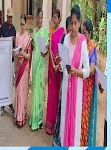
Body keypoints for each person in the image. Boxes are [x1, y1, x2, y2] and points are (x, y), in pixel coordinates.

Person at [59, 5, 90, 146]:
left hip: (77, 89)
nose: (73, 26)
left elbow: (87, 70)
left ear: (80, 22)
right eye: (71, 22)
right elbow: (63, 64)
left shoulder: (83, 41)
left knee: (75, 121)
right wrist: (63, 65)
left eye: (76, 23)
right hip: (66, 85)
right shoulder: (65, 39)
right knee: (65, 120)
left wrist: (77, 72)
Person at [46, 9, 65, 135]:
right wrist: (52, 62)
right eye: (53, 17)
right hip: (51, 67)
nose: (54, 20)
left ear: (60, 19)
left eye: (56, 17)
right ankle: (49, 124)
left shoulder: (62, 33)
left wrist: (57, 64)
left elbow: (62, 51)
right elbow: (51, 49)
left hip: (58, 68)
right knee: (51, 95)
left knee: (56, 96)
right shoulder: (51, 32)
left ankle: (55, 125)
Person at [29, 8, 49, 130]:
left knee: (40, 90)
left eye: (42, 18)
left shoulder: (44, 32)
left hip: (41, 62)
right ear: (36, 18)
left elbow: (45, 50)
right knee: (35, 89)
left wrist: (45, 51)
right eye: (39, 17)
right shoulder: (34, 31)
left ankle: (39, 120)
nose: (40, 20)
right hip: (35, 62)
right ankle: (33, 119)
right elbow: (33, 47)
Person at [53, 16, 71, 146]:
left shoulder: (77, 39)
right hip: (64, 76)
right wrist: (58, 64)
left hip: (73, 79)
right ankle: (57, 135)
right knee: (61, 105)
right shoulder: (64, 38)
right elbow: (59, 56)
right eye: (70, 25)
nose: (72, 28)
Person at [80, 18, 98, 146]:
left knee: (84, 117)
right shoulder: (81, 45)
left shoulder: (92, 47)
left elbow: (91, 70)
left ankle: (83, 143)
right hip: (79, 84)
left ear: (90, 33)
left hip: (87, 88)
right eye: (82, 32)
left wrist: (81, 71)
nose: (83, 35)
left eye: (85, 32)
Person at [14, 14, 32, 128]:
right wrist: (16, 53)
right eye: (20, 24)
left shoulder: (29, 37)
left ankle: (22, 117)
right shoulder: (17, 35)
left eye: (23, 24)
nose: (22, 26)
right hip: (18, 66)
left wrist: (23, 54)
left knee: (23, 91)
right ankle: (17, 116)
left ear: (26, 24)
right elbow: (16, 50)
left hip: (24, 68)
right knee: (18, 92)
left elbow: (29, 56)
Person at [0, 8, 16, 116]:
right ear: (6, 17)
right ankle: (2, 106)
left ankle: (9, 103)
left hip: (11, 60)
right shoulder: (3, 27)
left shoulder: (14, 29)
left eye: (11, 17)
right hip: (3, 60)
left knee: (10, 83)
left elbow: (15, 44)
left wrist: (14, 41)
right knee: (3, 82)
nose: (10, 19)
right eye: (9, 17)